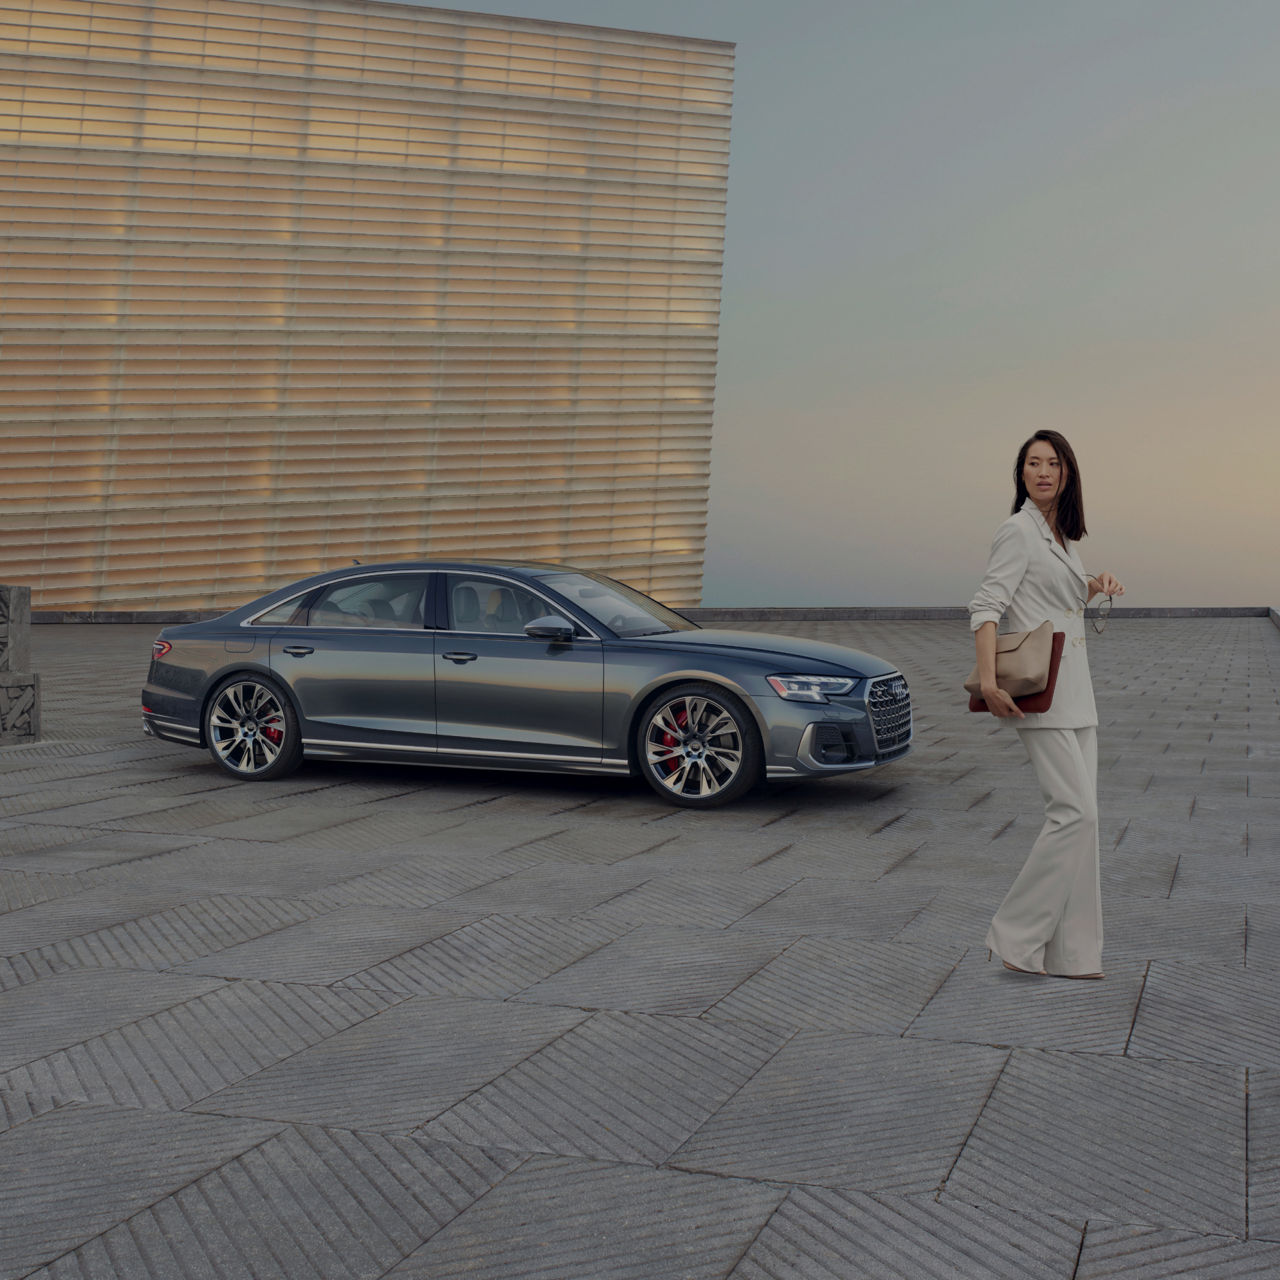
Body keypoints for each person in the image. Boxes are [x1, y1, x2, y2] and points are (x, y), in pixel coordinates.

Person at [968, 431, 1124, 979]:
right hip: (1040, 694)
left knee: (1087, 820)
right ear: (1022, 474)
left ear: (1066, 473)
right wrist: (989, 683)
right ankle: (1015, 934)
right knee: (1072, 812)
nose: (1042, 472)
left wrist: (1094, 583)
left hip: (1078, 693)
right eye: (1032, 463)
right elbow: (987, 606)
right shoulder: (1016, 531)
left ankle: (1074, 954)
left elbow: (1059, 596)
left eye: (1051, 463)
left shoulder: (1060, 536)